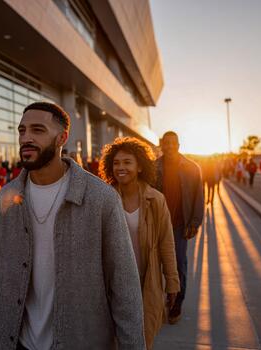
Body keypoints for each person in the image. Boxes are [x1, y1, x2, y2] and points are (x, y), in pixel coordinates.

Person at [0, 102, 145, 350]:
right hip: (19, 342)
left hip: (81, 340)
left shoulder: (100, 198)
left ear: (62, 138)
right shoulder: (5, 199)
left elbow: (124, 286)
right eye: (22, 130)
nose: (26, 138)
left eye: (37, 130)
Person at [99, 137, 180, 349]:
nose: (120, 167)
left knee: (143, 338)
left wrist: (172, 283)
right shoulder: (104, 199)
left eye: (127, 162)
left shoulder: (156, 200)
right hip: (112, 282)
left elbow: (167, 244)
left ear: (140, 167)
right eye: (116, 163)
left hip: (147, 280)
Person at [155, 131, 204, 324]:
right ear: (161, 144)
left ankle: (177, 303)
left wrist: (194, 223)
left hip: (179, 226)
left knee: (179, 265)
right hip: (157, 224)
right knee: (155, 265)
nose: (169, 146)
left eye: (172, 143)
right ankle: (164, 297)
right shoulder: (153, 167)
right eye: (165, 143)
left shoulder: (192, 168)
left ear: (178, 144)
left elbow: (198, 198)